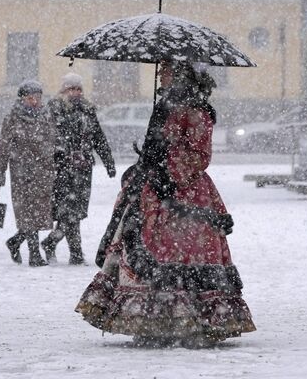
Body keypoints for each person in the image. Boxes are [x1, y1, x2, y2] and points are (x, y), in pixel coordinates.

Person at [75, 62, 256, 348]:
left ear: (183, 73)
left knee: (180, 251)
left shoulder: (196, 109)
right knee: (143, 247)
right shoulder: (165, 104)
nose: (161, 74)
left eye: (168, 69)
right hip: (152, 186)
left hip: (182, 190)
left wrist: (169, 173)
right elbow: (159, 145)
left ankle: (188, 320)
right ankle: (150, 319)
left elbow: (199, 153)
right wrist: (148, 159)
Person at [41, 73, 116, 265]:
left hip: (82, 169)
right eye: (71, 89)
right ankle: (70, 250)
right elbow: (47, 138)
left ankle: (66, 249)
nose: (75, 92)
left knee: (76, 211)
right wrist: (56, 154)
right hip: (62, 169)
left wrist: (108, 162)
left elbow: (98, 138)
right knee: (68, 212)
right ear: (63, 90)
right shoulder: (54, 109)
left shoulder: (88, 110)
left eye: (78, 89)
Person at [0, 80, 55, 267]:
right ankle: (34, 255)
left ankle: (15, 241)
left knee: (39, 215)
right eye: (30, 98)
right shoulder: (13, 118)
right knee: (27, 213)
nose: (35, 101)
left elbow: (53, 140)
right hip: (22, 173)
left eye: (38, 97)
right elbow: (3, 147)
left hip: (43, 172)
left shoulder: (46, 116)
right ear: (22, 99)